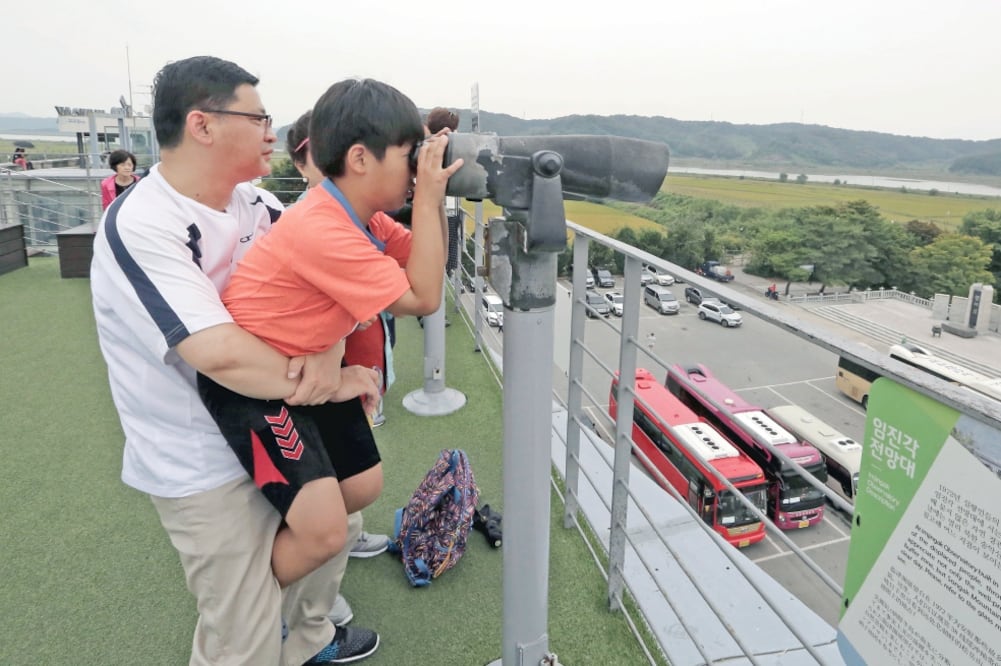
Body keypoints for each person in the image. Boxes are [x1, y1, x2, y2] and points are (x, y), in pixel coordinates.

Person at [90, 55, 379, 665]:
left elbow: (327, 282)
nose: (273, 133)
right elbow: (218, 354)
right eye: (259, 117)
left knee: (334, 531)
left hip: (276, 421)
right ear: (203, 125)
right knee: (240, 633)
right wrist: (335, 379)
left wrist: (328, 347)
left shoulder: (256, 204)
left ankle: (308, 642)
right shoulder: (143, 223)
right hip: (202, 456)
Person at [200, 74, 459, 649]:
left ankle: (286, 558)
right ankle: (247, 604)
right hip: (255, 388)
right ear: (361, 158)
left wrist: (426, 194)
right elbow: (423, 296)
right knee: (322, 532)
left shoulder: (358, 215)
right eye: (408, 156)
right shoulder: (324, 227)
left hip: (307, 368)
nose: (417, 166)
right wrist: (432, 195)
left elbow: (421, 257)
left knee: (362, 485)